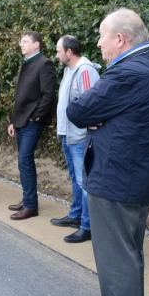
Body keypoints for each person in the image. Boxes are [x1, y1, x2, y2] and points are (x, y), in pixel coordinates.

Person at [67, 8, 149, 296]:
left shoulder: (127, 72)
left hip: (117, 177)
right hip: (138, 175)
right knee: (129, 249)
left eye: (102, 36)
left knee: (116, 253)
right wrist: (108, 118)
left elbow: (78, 110)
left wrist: (102, 118)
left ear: (120, 39)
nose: (99, 44)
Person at [50, 35, 100, 243]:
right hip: (67, 134)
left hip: (79, 136)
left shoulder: (85, 70)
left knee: (84, 181)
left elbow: (91, 101)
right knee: (75, 177)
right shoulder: (69, 70)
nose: (57, 54)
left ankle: (87, 226)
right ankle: (76, 215)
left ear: (69, 52)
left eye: (58, 50)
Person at [6, 31, 56, 220]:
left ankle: (30, 206)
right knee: (23, 161)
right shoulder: (27, 63)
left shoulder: (44, 63)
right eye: (21, 41)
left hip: (32, 121)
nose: (21, 44)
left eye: (25, 41)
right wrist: (13, 120)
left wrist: (36, 117)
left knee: (24, 160)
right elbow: (20, 97)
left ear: (36, 45)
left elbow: (48, 94)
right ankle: (27, 199)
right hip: (21, 120)